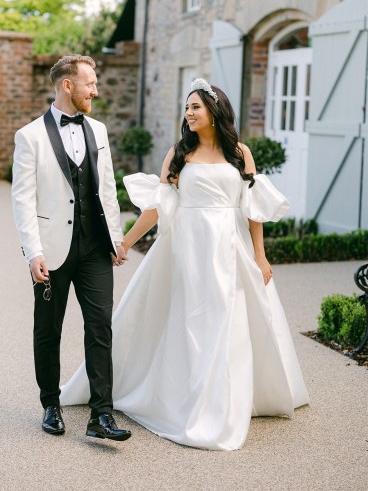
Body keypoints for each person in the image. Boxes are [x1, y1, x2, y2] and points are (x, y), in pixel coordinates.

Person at [60, 77, 309, 450]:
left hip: (229, 244)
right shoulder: (179, 153)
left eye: (195, 107)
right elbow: (159, 207)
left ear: (215, 111)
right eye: (187, 107)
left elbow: (252, 209)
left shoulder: (240, 152)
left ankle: (224, 401)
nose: (188, 113)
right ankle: (186, 396)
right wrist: (124, 242)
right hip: (186, 247)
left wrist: (260, 255)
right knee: (189, 319)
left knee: (228, 317)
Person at [12, 54, 131, 442]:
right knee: (48, 329)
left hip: (95, 246)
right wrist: (33, 252)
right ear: (68, 85)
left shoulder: (97, 129)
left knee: (101, 328)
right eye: (90, 83)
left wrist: (114, 237)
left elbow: (108, 189)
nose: (95, 90)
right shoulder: (29, 136)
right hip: (52, 249)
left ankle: (102, 415)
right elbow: (23, 200)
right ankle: (50, 403)